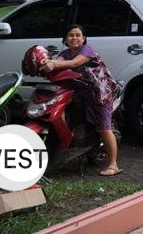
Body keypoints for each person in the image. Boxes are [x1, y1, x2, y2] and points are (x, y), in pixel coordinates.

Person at [40, 24, 121, 176]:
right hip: (79, 94)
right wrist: (45, 63)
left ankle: (113, 165)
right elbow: (58, 62)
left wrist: (53, 64)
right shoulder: (65, 53)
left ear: (84, 39)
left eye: (78, 35)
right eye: (71, 35)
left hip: (99, 94)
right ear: (65, 39)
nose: (74, 38)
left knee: (104, 128)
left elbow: (75, 63)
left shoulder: (87, 50)